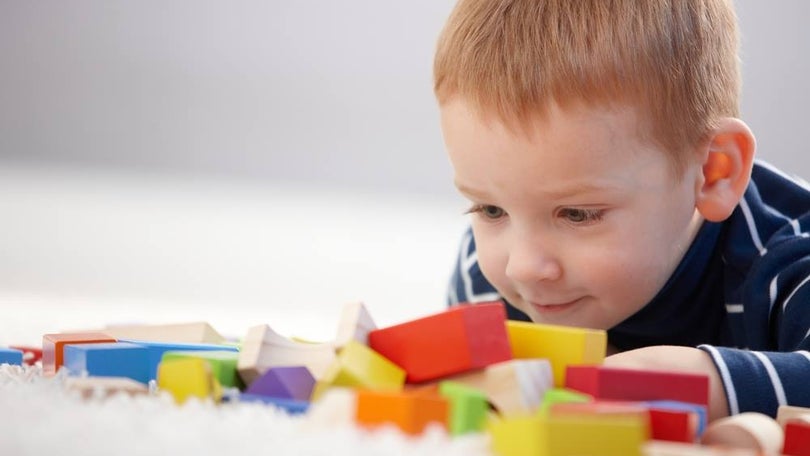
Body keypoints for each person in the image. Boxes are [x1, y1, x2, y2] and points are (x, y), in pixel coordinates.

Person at [434, 0, 810, 423]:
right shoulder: (483, 282)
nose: (522, 268)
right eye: (490, 209)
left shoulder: (789, 257)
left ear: (712, 173)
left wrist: (706, 382)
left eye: (576, 214)